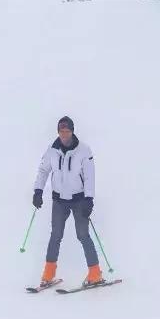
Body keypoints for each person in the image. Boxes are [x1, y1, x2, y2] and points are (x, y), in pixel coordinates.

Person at [32, 116, 103, 289]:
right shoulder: (52, 149)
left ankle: (95, 274)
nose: (64, 134)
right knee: (55, 235)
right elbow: (43, 171)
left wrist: (89, 199)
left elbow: (89, 176)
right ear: (58, 131)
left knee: (83, 235)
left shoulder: (84, 151)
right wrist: (38, 191)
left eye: (67, 131)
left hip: (79, 200)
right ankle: (48, 274)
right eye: (61, 131)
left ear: (72, 131)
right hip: (59, 200)